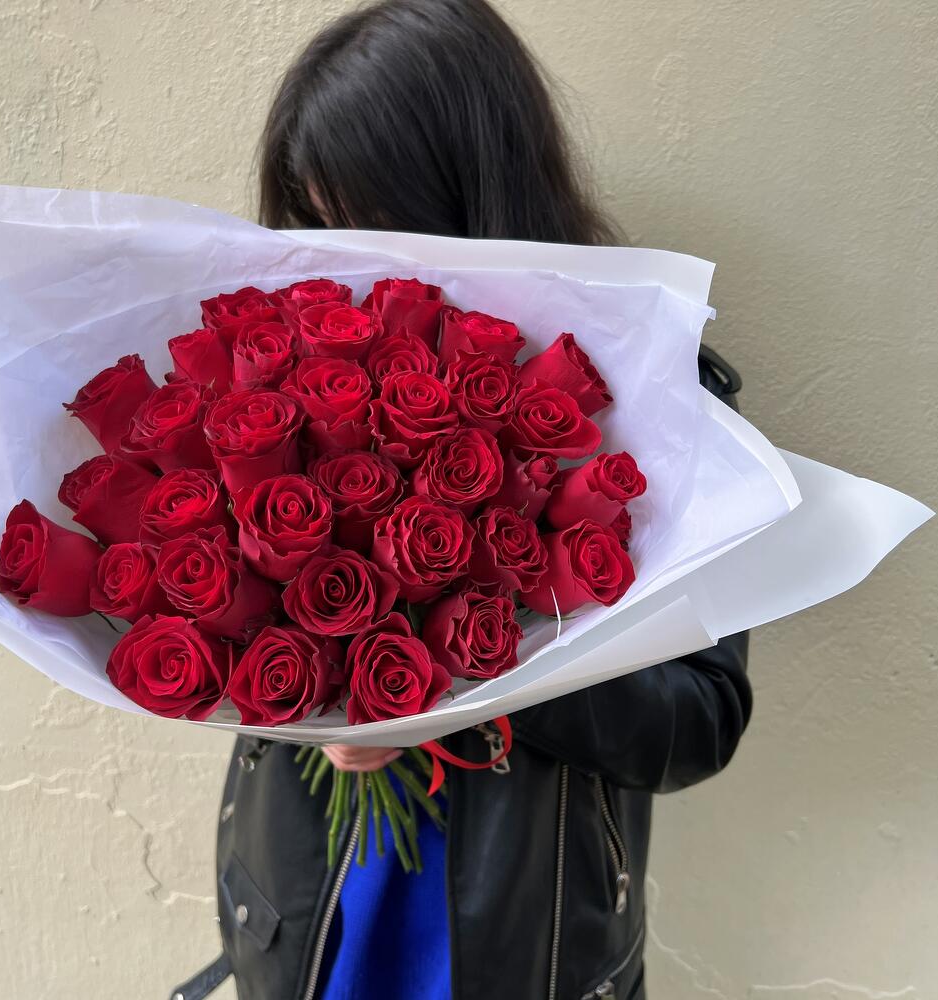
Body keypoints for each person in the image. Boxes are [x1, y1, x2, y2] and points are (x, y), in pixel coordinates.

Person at [170, 2, 749, 998]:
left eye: (368, 217)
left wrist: (473, 667)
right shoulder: (297, 370)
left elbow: (699, 720)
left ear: (464, 189)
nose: (342, 256)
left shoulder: (656, 398)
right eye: (314, 221)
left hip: (524, 936)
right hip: (306, 907)